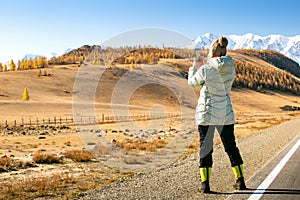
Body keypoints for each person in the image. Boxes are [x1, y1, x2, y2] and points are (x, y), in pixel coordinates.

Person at [188, 36, 246, 193]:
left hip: (206, 114)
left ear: (212, 52)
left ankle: (205, 184)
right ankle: (240, 181)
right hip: (225, 113)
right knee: (231, 146)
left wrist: (194, 66)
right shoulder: (231, 68)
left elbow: (192, 83)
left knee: (206, 147)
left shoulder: (206, 69)